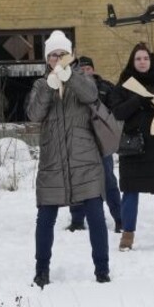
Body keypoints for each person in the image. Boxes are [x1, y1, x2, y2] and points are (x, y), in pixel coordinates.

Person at [26, 31, 111, 286]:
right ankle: (42, 270)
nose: (57, 58)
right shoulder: (41, 85)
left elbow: (90, 95)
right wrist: (49, 87)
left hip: (84, 161)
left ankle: (102, 269)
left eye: (61, 54)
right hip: (53, 161)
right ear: (46, 58)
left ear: (70, 56)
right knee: (45, 218)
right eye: (52, 55)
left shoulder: (81, 78)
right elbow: (34, 115)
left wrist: (70, 76)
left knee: (96, 215)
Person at [109, 43, 154, 252]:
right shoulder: (124, 85)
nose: (142, 62)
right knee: (130, 192)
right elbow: (117, 112)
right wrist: (139, 101)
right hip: (134, 145)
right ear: (133, 62)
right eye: (138, 59)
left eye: (146, 58)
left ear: (151, 61)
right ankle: (127, 235)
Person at [65, 55, 123, 233]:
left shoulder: (105, 88)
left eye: (88, 69)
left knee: (108, 180)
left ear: (93, 69)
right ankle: (77, 220)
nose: (85, 72)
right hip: (78, 142)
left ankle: (120, 219)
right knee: (77, 180)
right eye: (81, 70)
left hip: (101, 142)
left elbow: (117, 109)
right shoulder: (70, 90)